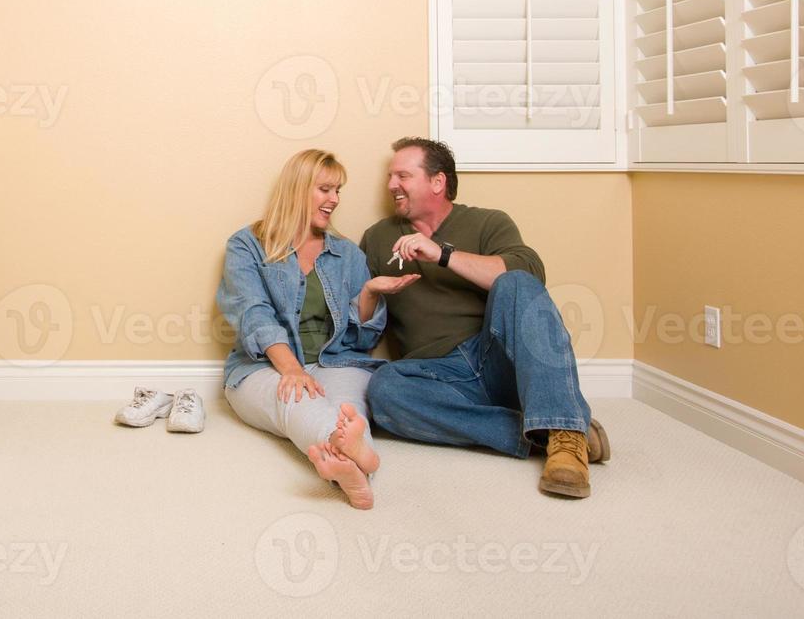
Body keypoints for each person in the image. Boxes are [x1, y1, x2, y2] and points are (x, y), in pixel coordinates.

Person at [360, 137, 610, 499]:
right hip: (438, 375)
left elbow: (529, 274)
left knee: (516, 282)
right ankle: (552, 431)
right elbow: (359, 327)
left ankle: (566, 442)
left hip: (496, 359)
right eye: (389, 176)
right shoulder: (378, 238)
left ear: (437, 182)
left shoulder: (487, 222)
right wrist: (370, 289)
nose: (391, 185)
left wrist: (442, 255)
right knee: (383, 391)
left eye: (402, 175)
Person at [217, 149, 388, 509]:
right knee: (297, 400)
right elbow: (253, 313)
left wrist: (370, 294)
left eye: (338, 190)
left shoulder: (348, 255)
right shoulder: (247, 245)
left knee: (348, 411)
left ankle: (354, 475)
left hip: (336, 363)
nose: (335, 200)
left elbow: (363, 339)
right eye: (325, 189)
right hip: (263, 367)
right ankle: (365, 462)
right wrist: (292, 369)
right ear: (298, 188)